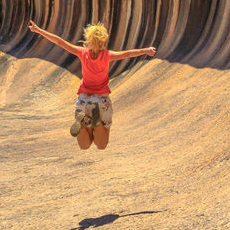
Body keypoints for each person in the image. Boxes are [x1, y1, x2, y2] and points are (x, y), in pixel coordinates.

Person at [27, 19, 157, 150]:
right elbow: (128, 53)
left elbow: (60, 42)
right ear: (103, 41)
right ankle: (97, 122)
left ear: (89, 39)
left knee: (84, 145)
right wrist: (146, 50)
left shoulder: (82, 53)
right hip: (101, 100)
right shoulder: (107, 55)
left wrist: (39, 30)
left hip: (83, 100)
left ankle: (82, 122)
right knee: (101, 144)